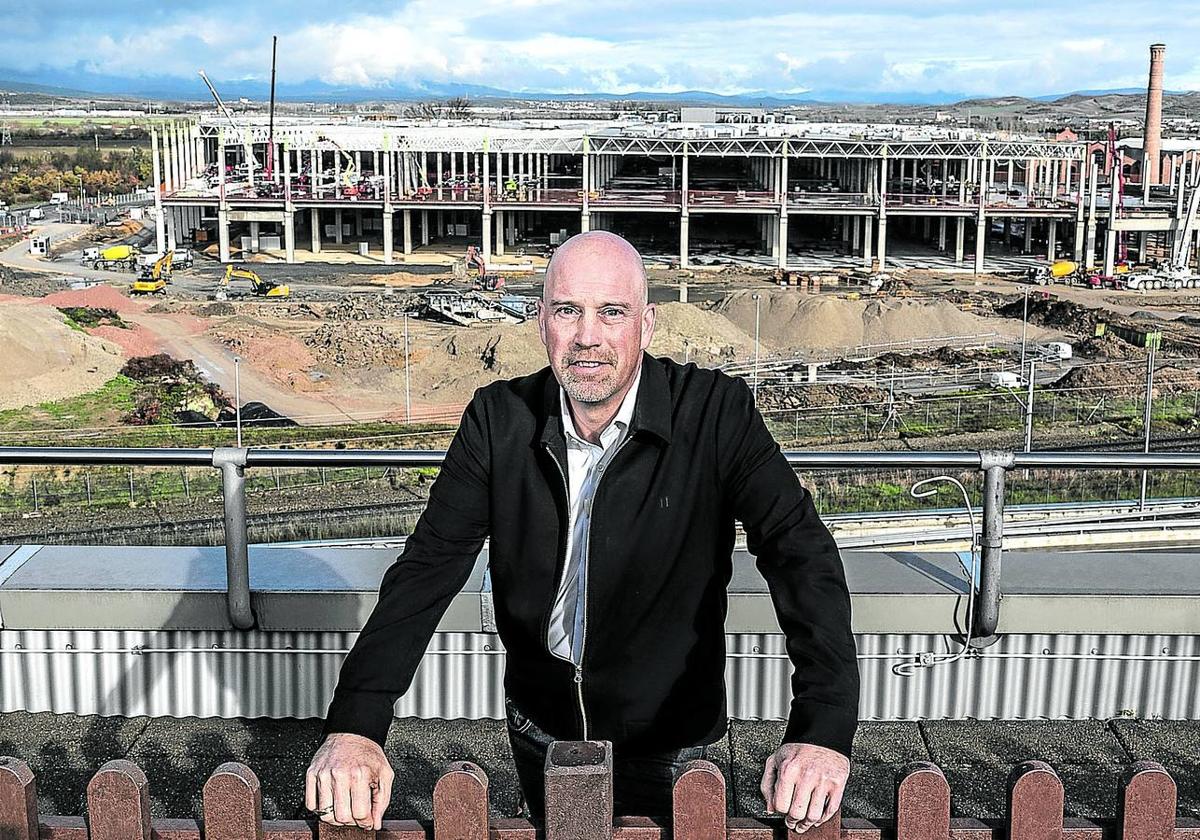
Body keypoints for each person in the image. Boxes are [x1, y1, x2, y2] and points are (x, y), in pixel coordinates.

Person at [305, 231, 859, 833]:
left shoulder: (713, 412)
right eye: (567, 310)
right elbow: (426, 570)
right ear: (541, 321)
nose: (587, 336)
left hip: (672, 743)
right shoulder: (498, 420)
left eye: (611, 312)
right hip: (541, 731)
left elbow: (800, 554)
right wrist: (356, 726)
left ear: (646, 325)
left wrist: (822, 728)